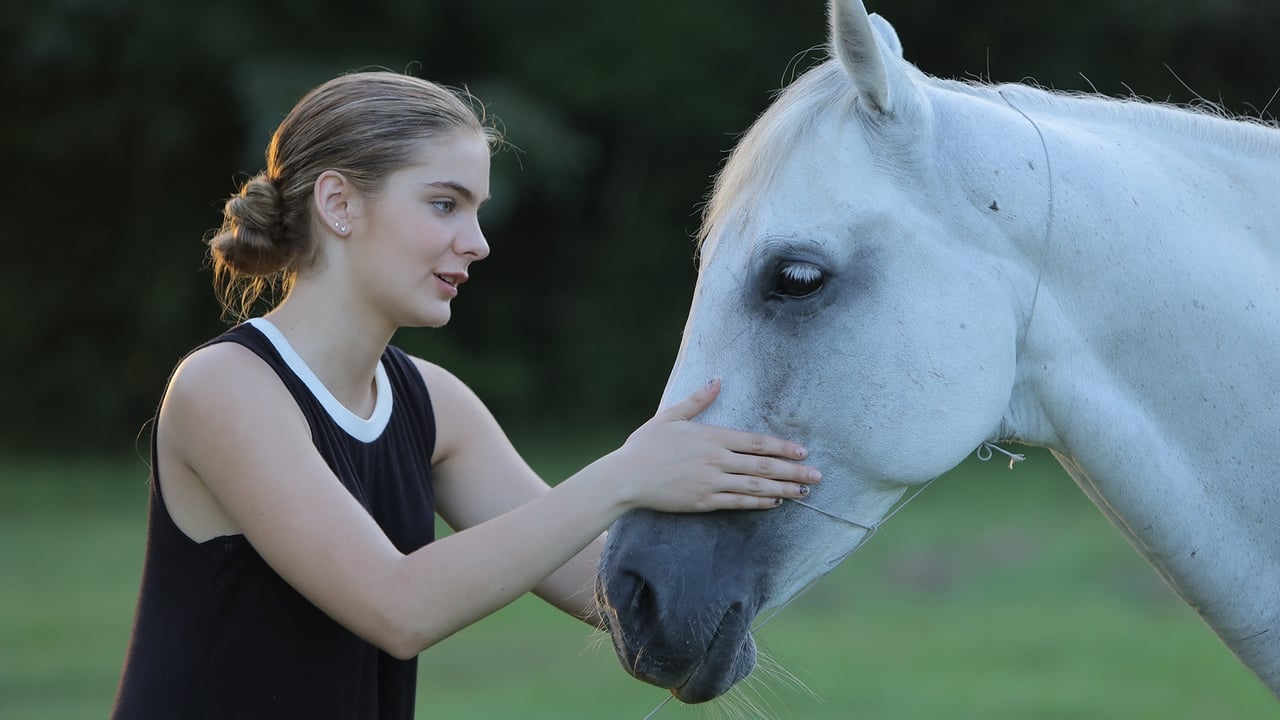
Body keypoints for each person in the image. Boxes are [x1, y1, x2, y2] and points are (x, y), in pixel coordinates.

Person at [111, 70, 820, 719]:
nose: (476, 241)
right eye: (444, 204)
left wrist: (763, 509)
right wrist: (628, 473)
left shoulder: (433, 404)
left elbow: (600, 587)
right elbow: (397, 606)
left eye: (477, 210)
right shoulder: (226, 388)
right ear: (339, 204)